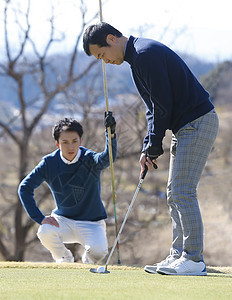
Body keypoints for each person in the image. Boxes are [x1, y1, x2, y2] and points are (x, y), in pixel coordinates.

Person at [83, 22, 219, 276]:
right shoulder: (138, 58)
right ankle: (178, 255)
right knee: (173, 192)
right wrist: (149, 146)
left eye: (101, 55)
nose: (105, 62)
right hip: (185, 126)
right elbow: (153, 107)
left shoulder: (145, 55)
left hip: (197, 123)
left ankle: (193, 259)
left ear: (111, 39)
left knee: (182, 191)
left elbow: (162, 105)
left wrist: (154, 145)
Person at [18, 112, 117, 264]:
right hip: (62, 220)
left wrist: (110, 135)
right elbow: (24, 188)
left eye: (74, 141)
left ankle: (87, 262)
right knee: (44, 231)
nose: (70, 146)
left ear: (80, 141)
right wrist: (40, 218)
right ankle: (64, 259)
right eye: (65, 142)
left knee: (99, 251)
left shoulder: (90, 159)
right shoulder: (49, 163)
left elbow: (107, 158)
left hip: (92, 222)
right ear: (57, 144)